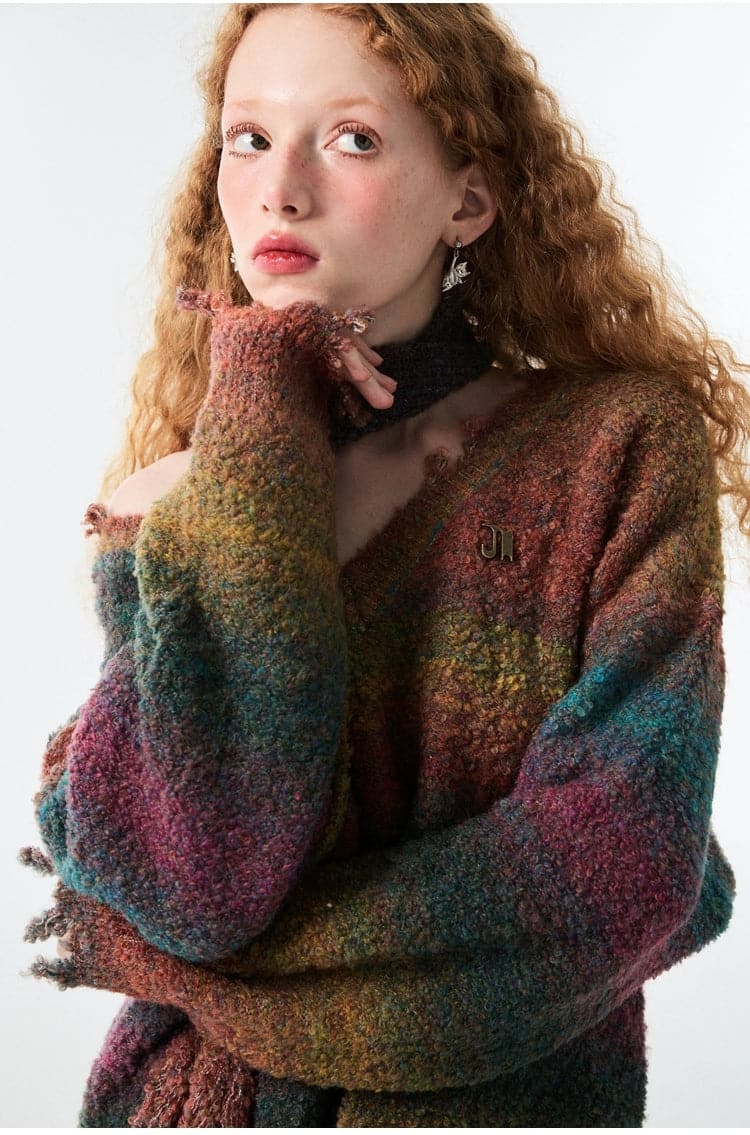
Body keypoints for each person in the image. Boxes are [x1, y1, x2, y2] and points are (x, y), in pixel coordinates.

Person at [19, 2, 749, 1128]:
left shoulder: (614, 445)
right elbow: (193, 877)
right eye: (249, 137)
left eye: (352, 138)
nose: (281, 190)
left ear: (469, 199)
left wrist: (195, 977)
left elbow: (621, 867)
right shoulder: (172, 498)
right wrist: (257, 411)